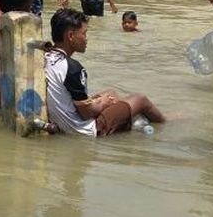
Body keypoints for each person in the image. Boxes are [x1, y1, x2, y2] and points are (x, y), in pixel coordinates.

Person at [43, 8, 165, 136]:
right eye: (84, 33)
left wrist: (101, 102)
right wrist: (103, 104)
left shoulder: (46, 57)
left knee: (111, 93)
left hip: (65, 121)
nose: (86, 39)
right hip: (87, 129)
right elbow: (87, 113)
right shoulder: (73, 68)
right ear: (71, 36)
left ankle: (129, 115)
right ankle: (165, 123)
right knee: (141, 99)